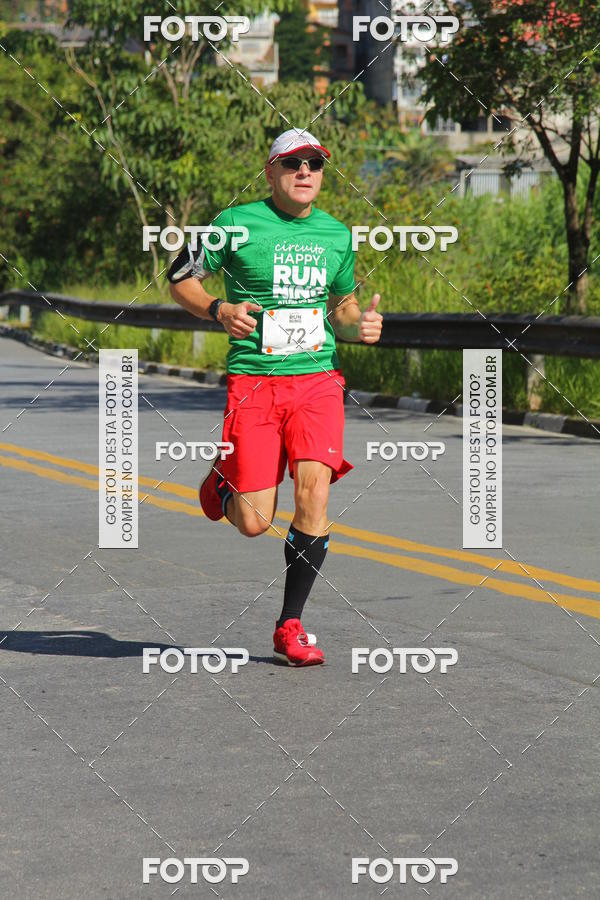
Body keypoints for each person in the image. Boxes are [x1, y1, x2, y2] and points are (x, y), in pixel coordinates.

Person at [167, 128, 383, 666]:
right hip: (255, 384)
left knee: (315, 493)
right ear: (270, 171)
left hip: (317, 383)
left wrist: (361, 328)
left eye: (314, 163)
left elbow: (344, 307)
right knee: (253, 523)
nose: (305, 171)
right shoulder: (233, 223)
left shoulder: (337, 235)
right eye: (293, 164)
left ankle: (291, 625)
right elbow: (178, 278)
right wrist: (219, 309)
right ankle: (223, 479)